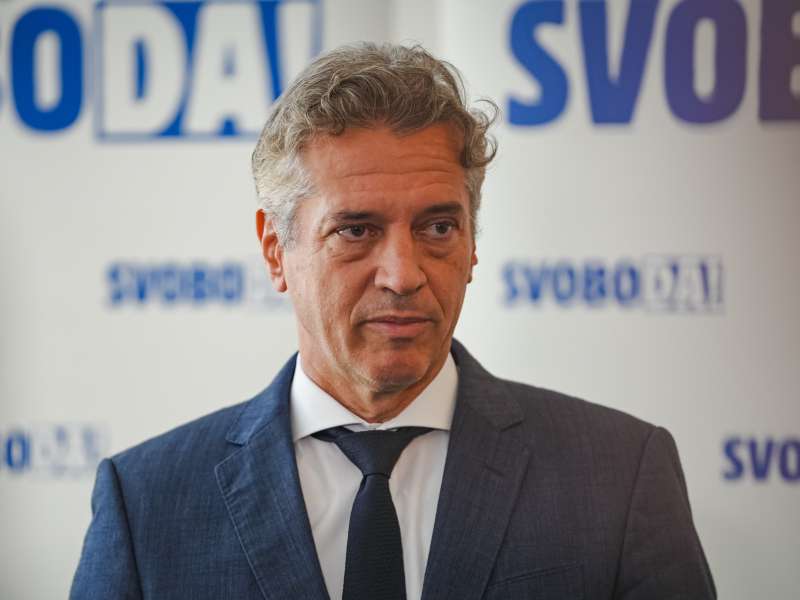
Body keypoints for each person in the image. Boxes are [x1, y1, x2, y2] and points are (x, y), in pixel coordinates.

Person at [71, 43, 716, 600]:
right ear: (275, 251)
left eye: (438, 227)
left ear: (472, 244)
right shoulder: (147, 502)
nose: (403, 275)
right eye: (356, 230)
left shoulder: (618, 475)